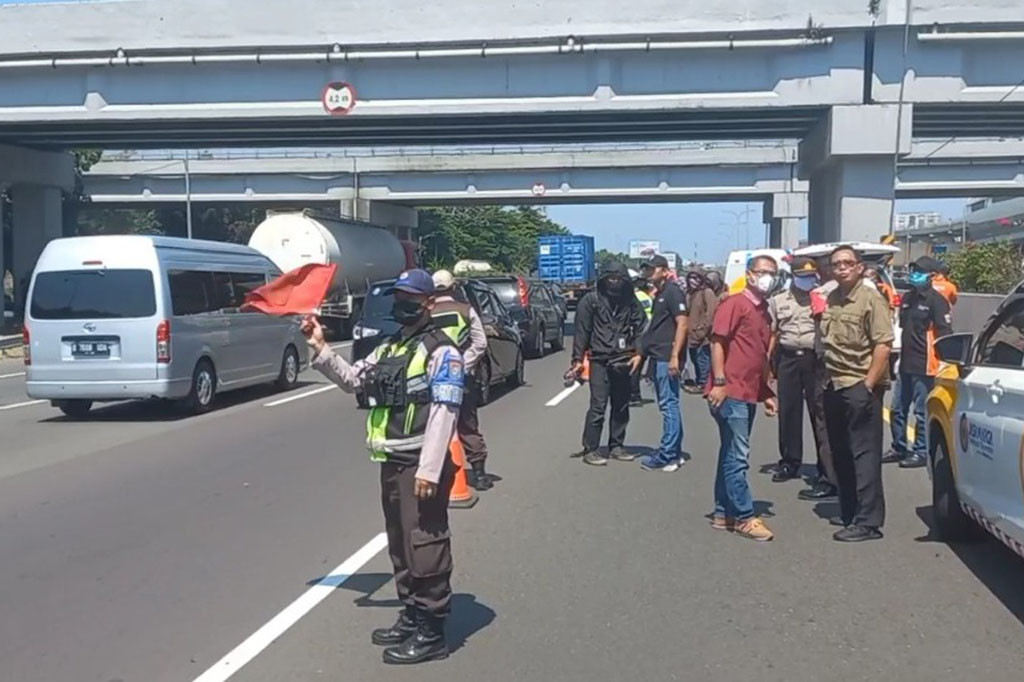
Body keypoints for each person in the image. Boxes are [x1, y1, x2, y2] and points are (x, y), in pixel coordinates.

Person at [303, 269, 462, 665]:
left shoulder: (442, 351)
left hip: (419, 462)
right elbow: (355, 380)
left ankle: (432, 630)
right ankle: (411, 613)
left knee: (425, 542)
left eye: (409, 297)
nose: (400, 304)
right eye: (398, 296)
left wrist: (429, 469)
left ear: (428, 302)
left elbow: (445, 411)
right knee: (400, 541)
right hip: (391, 459)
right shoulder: (392, 347)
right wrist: (321, 349)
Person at [821, 246, 894, 543]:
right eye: (836, 264)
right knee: (841, 453)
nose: (841, 268)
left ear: (860, 267)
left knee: (864, 454)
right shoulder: (833, 298)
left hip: (859, 384)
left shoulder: (870, 298)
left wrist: (868, 384)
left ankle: (868, 521)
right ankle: (850, 512)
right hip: (834, 382)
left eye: (848, 263)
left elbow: (883, 345)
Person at [705, 255, 779, 541]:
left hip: (749, 392)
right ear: (749, 275)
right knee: (738, 455)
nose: (767, 277)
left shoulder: (763, 312)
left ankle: (724, 512)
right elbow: (718, 342)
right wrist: (720, 382)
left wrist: (767, 393)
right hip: (731, 391)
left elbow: (759, 357)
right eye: (762, 272)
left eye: (772, 273)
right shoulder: (735, 304)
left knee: (729, 453)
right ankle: (745, 516)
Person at [768, 257, 838, 498]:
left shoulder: (822, 297)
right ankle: (789, 460)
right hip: (787, 357)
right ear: (793, 276)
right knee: (788, 411)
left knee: (820, 414)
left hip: (815, 359)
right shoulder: (778, 301)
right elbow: (773, 333)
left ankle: (826, 468)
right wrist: (767, 367)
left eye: (811, 275)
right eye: (802, 276)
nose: (807, 280)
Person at [571, 262, 647, 466]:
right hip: (599, 359)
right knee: (598, 406)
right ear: (603, 280)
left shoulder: (630, 301)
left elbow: (640, 326)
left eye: (618, 279)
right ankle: (591, 448)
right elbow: (581, 332)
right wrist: (577, 360)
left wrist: (639, 353)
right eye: (610, 279)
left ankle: (617, 445)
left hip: (623, 359)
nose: (614, 283)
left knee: (621, 405)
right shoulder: (591, 301)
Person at [883, 258, 953, 469]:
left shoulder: (937, 301)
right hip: (906, 362)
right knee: (897, 408)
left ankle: (921, 451)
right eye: (913, 270)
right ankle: (899, 446)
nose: (914, 274)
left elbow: (945, 333)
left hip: (926, 364)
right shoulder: (908, 298)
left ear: (931, 275)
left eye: (919, 272)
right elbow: (903, 327)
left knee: (921, 411)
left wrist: (944, 362)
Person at [431, 269, 494, 490]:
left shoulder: (425, 313)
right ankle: (478, 474)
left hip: (431, 379)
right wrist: (461, 365)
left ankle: (433, 474)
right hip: (462, 378)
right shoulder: (465, 310)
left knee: (431, 424)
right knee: (467, 424)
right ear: (454, 286)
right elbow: (480, 343)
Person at [638, 255, 689, 472]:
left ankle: (668, 453)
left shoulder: (672, 291)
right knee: (669, 404)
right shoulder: (659, 293)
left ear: (664, 270)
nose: (648, 273)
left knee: (668, 405)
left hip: (666, 356)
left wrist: (675, 356)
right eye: (646, 269)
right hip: (658, 355)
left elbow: (683, 324)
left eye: (652, 269)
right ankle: (673, 452)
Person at [684, 268, 718, 394]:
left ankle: (704, 384)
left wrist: (702, 330)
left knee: (703, 360)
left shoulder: (707, 293)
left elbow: (711, 314)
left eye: (697, 278)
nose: (694, 281)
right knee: (695, 361)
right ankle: (701, 381)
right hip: (691, 335)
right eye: (691, 277)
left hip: (703, 336)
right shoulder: (689, 294)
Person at [629, 273, 654, 406]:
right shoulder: (646, 297)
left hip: (633, 335)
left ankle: (633, 394)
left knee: (633, 367)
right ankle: (634, 394)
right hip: (646, 334)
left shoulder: (629, 297)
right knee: (638, 367)